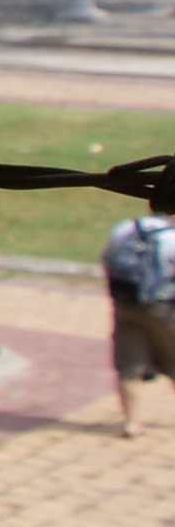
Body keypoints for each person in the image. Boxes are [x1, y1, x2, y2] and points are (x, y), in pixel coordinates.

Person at [104, 172, 175, 438]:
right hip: (163, 309)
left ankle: (131, 423)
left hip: (125, 305)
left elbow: (107, 258)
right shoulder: (172, 238)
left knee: (128, 365)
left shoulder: (127, 228)